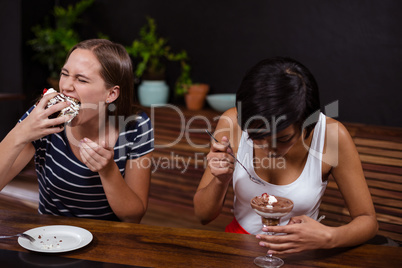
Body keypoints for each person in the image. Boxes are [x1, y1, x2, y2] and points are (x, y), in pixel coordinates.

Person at [193, 57, 378, 254]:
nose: (268, 149)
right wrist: (220, 180)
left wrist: (327, 237)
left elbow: (368, 221)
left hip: (301, 252)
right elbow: (203, 215)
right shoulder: (232, 122)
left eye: (283, 139)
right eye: (257, 136)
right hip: (240, 247)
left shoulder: (331, 136)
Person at [0, 39, 154, 223]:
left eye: (81, 79)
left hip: (111, 240)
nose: (65, 86)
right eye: (65, 74)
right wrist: (21, 133)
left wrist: (108, 171)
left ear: (111, 94)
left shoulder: (136, 126)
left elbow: (133, 216)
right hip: (50, 237)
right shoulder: (43, 117)